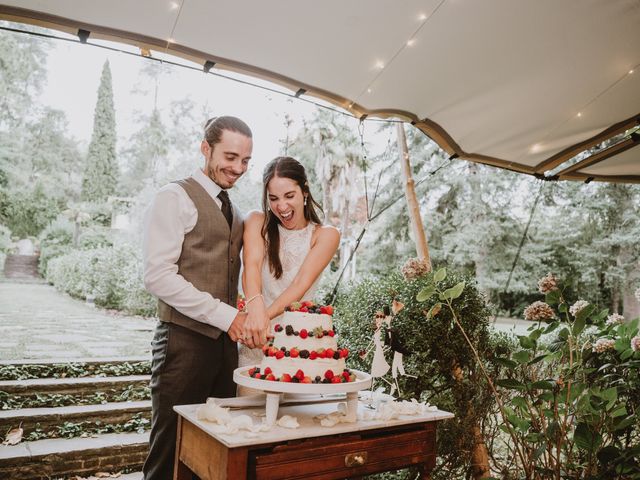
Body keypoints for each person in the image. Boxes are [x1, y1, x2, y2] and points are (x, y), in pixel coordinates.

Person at [141, 116, 260, 480]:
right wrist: (228, 317)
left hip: (226, 348)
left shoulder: (237, 212)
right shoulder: (173, 196)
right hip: (182, 344)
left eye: (245, 161)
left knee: (215, 448)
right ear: (205, 148)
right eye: (230, 156)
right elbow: (158, 276)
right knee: (170, 446)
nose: (237, 168)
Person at [238, 156, 340, 387]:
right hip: (254, 338)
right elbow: (251, 266)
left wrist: (262, 318)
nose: (281, 206)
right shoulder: (256, 221)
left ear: (304, 192)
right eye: (273, 198)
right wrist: (255, 313)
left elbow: (299, 285)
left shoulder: (326, 235)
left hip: (298, 344)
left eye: (289, 196)